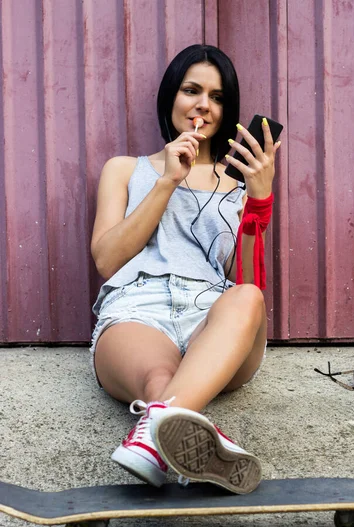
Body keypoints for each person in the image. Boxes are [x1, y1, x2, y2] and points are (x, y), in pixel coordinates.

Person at [90, 44, 281, 495]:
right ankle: (179, 436)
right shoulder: (124, 170)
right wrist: (167, 181)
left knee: (249, 298)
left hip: (214, 321)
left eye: (216, 97)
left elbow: (247, 284)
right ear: (170, 99)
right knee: (160, 381)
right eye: (191, 90)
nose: (203, 105)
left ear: (226, 109)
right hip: (137, 308)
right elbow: (107, 259)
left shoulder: (237, 182)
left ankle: (152, 437)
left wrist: (259, 201)